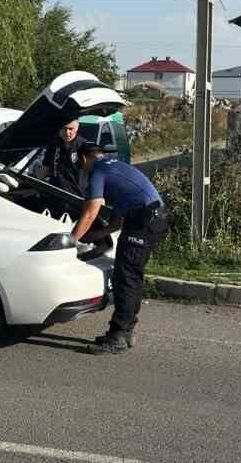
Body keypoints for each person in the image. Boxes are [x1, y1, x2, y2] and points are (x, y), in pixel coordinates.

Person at [70, 142, 168, 355]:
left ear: (84, 159)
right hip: (149, 219)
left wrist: (71, 242)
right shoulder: (117, 167)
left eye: (81, 164)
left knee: (126, 279)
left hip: (145, 221)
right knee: (129, 277)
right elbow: (115, 224)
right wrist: (92, 236)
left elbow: (90, 213)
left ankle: (117, 337)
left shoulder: (98, 170)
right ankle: (125, 332)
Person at [36, 116, 86, 196]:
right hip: (53, 193)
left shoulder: (85, 147)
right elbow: (45, 169)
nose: (67, 132)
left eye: (71, 129)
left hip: (75, 199)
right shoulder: (53, 144)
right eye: (63, 128)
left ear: (77, 127)